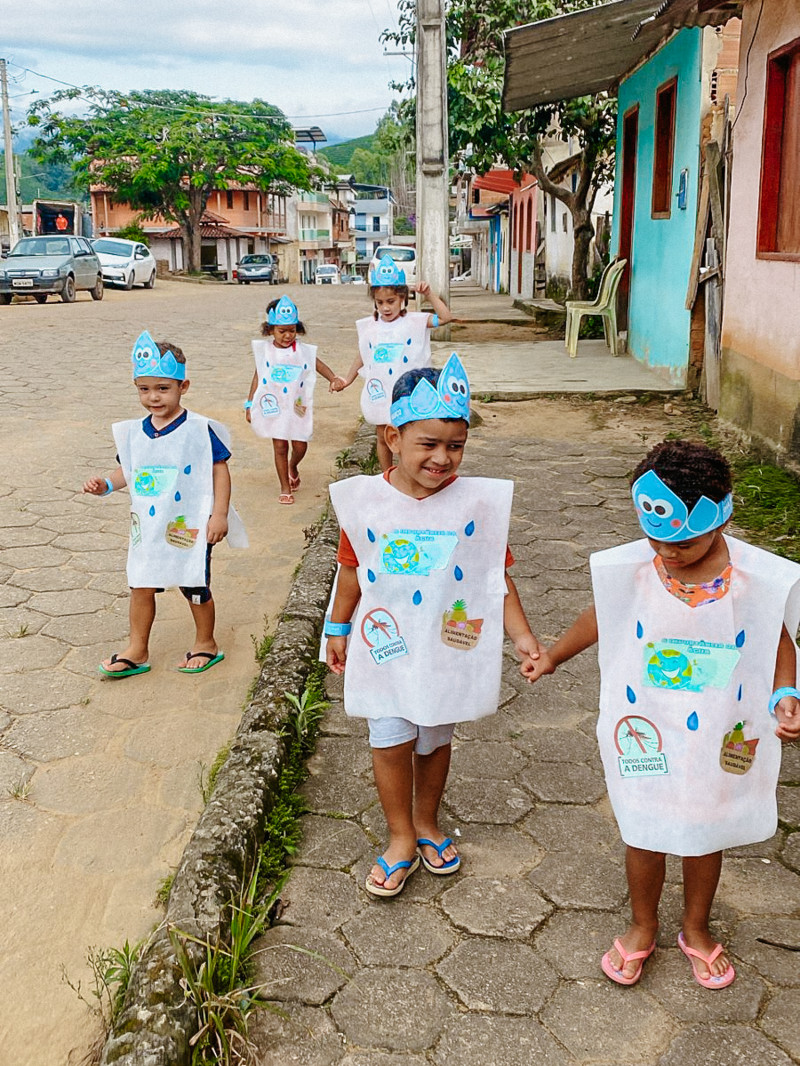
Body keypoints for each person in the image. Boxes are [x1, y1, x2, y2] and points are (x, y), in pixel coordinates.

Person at [522, 440, 800, 988]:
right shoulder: (634, 568)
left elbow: (779, 640)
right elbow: (601, 616)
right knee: (643, 826)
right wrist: (553, 655)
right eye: (657, 539)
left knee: (706, 828)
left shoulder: (757, 579)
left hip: (722, 726)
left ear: (722, 519)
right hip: (646, 725)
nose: (669, 553)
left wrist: (784, 695)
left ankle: (695, 927)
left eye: (687, 542)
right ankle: (642, 925)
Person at [324, 355, 543, 897]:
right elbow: (351, 574)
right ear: (393, 437)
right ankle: (400, 835)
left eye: (456, 445)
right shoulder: (364, 504)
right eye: (429, 443)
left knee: (435, 740)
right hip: (385, 649)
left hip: (448, 650)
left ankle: (427, 822)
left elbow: (497, 579)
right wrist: (336, 626)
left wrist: (522, 636)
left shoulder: (475, 506)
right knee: (391, 739)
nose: (443, 458)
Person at [83, 331, 247, 678]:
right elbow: (130, 470)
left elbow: (220, 471)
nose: (153, 397)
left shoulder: (200, 430)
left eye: (163, 388)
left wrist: (219, 514)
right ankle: (137, 648)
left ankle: (206, 643)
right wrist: (107, 484)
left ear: (183, 386)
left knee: (194, 584)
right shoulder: (134, 433)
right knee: (140, 582)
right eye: (145, 389)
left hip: (188, 523)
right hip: (147, 526)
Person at [333, 256, 454, 472]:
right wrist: (347, 379)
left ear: (402, 299)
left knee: (408, 433)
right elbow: (363, 355)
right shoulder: (370, 326)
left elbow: (445, 317)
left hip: (408, 391)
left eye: (391, 302)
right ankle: (387, 473)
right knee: (382, 434)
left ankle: (409, 472)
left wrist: (428, 295)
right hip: (381, 391)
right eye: (380, 303)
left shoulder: (416, 321)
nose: (385, 308)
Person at [245, 295, 342, 505]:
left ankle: (293, 465)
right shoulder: (266, 352)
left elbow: (319, 365)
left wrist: (333, 378)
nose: (288, 335)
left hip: (297, 407)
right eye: (282, 331)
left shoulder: (303, 351)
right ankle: (285, 487)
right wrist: (249, 403)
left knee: (300, 445)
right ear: (270, 330)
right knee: (279, 446)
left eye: (292, 330)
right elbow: (258, 377)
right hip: (274, 407)